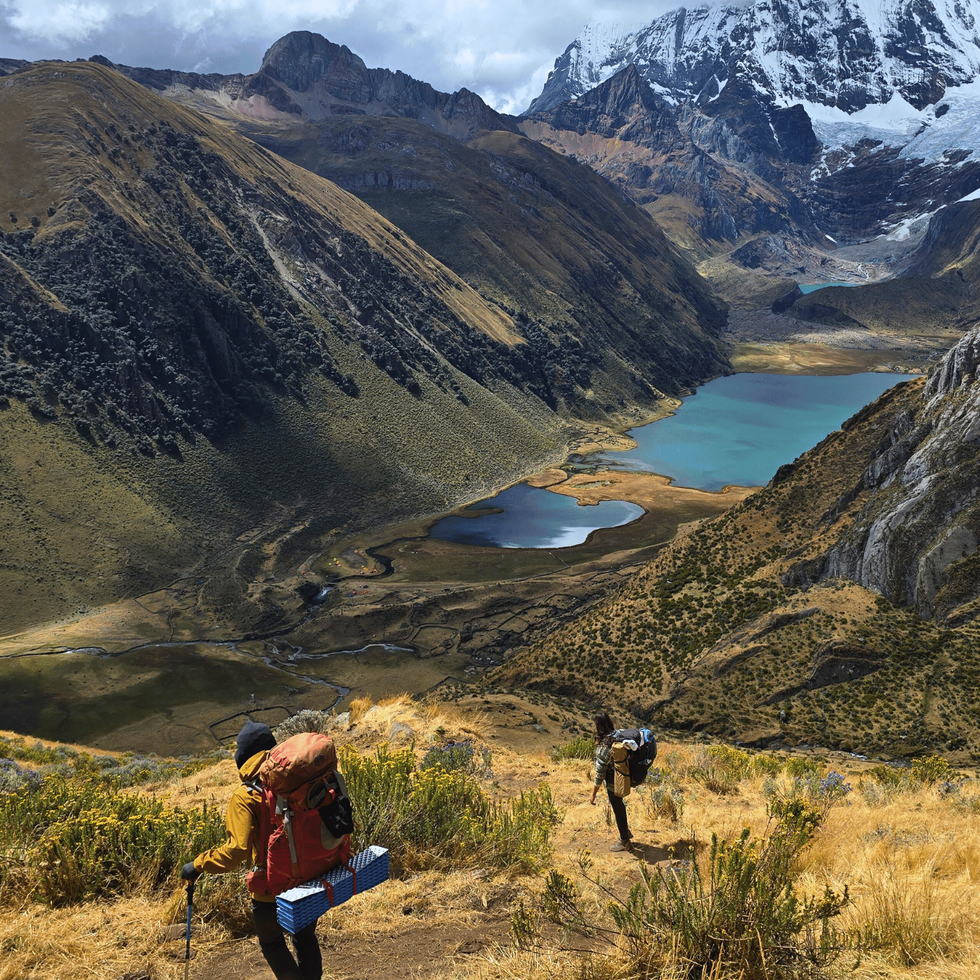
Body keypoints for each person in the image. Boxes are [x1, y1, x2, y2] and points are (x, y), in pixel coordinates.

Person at [180, 721, 322, 980]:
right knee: (305, 937)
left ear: (242, 756)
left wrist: (198, 864)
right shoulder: (295, 779)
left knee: (272, 944)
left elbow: (236, 851)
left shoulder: (245, 795)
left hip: (270, 889)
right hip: (307, 877)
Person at [588, 710, 634, 852]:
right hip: (624, 775)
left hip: (613, 779)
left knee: (617, 807)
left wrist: (594, 793)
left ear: (599, 726)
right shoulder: (618, 734)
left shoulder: (605, 745)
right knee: (620, 805)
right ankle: (625, 832)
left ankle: (624, 841)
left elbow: (600, 772)